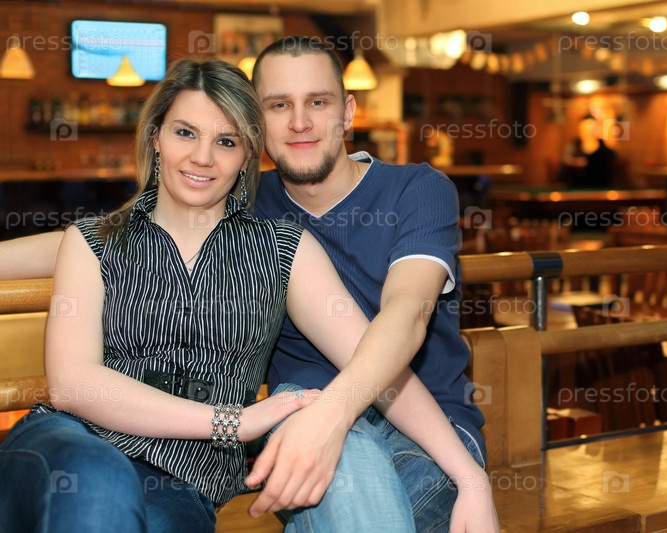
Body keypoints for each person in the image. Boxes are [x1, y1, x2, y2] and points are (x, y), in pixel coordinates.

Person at [0, 36, 500, 532]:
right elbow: (97, 264)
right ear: (155, 137)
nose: (202, 157)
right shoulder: (106, 237)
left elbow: (392, 335)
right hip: (94, 440)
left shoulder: (291, 241)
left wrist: (471, 477)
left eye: (226, 141)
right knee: (99, 487)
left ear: (247, 153)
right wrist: (236, 421)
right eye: (184, 133)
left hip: (205, 467)